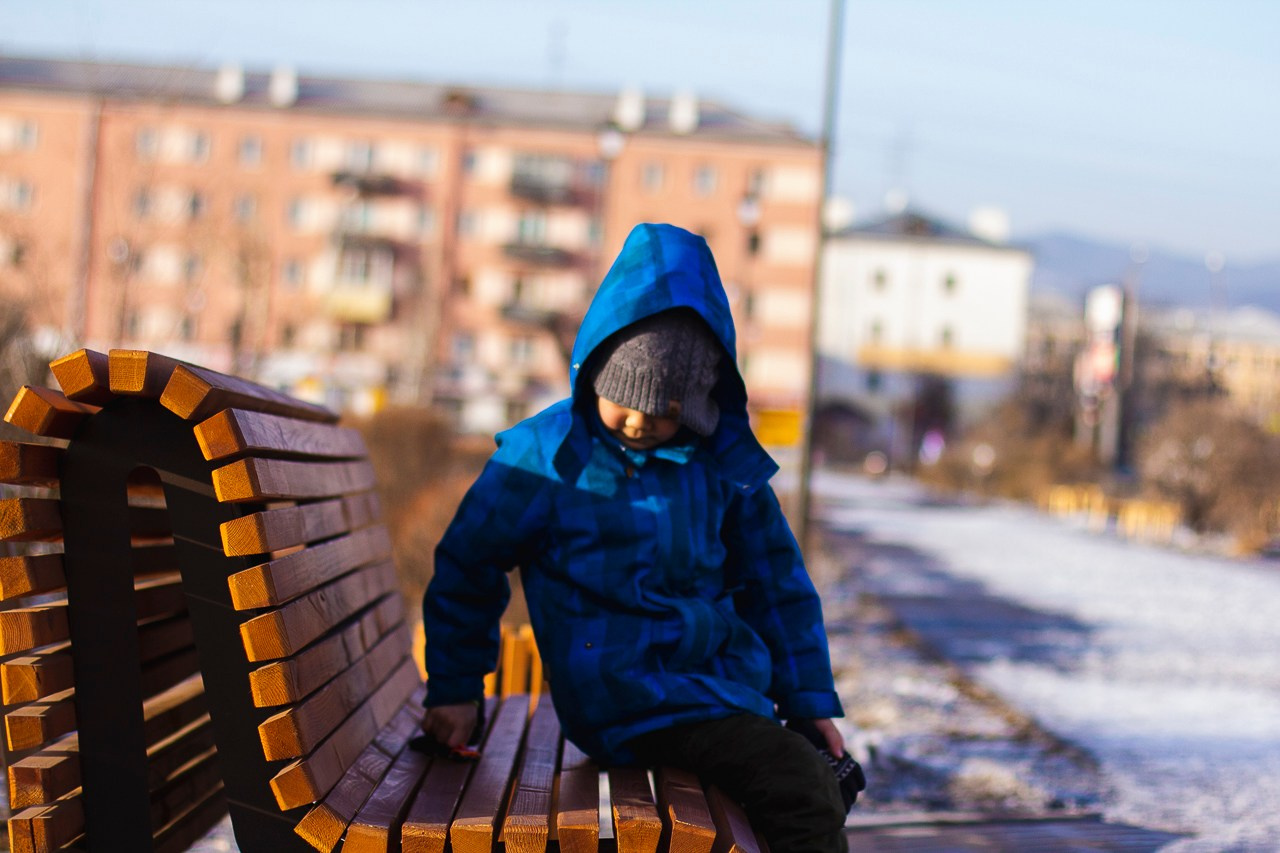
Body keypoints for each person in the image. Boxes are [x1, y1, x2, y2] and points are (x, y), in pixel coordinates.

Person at [420, 223, 851, 853]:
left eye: (666, 409)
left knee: (816, 781)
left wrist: (806, 697)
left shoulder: (720, 467)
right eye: (623, 399)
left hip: (711, 687)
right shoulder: (547, 458)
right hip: (625, 693)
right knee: (799, 789)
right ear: (596, 369)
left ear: (701, 401)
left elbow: (776, 583)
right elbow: (469, 565)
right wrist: (457, 688)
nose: (640, 422)